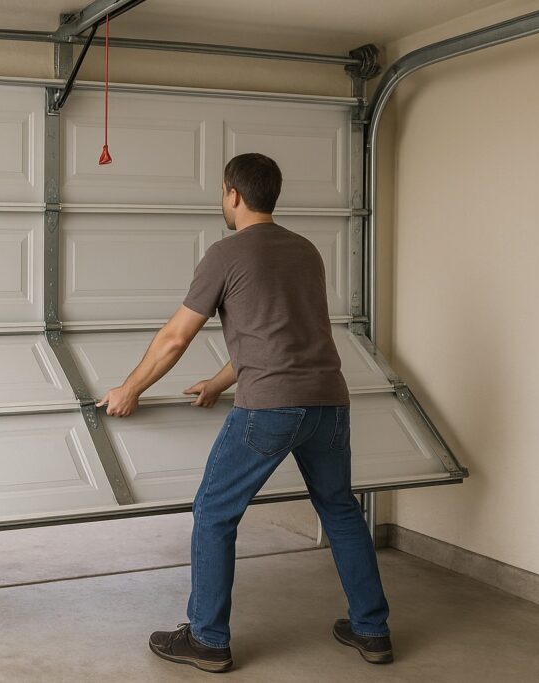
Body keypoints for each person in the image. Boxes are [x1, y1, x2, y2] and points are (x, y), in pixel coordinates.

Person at [96, 153, 392, 673]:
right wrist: (218, 382)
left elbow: (175, 337)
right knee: (341, 510)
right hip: (329, 401)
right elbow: (279, 333)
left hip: (271, 407)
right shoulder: (305, 251)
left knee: (214, 513)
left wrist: (130, 388)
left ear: (232, 194)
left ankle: (207, 639)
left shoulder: (225, 254)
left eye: (221, 192)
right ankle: (372, 630)